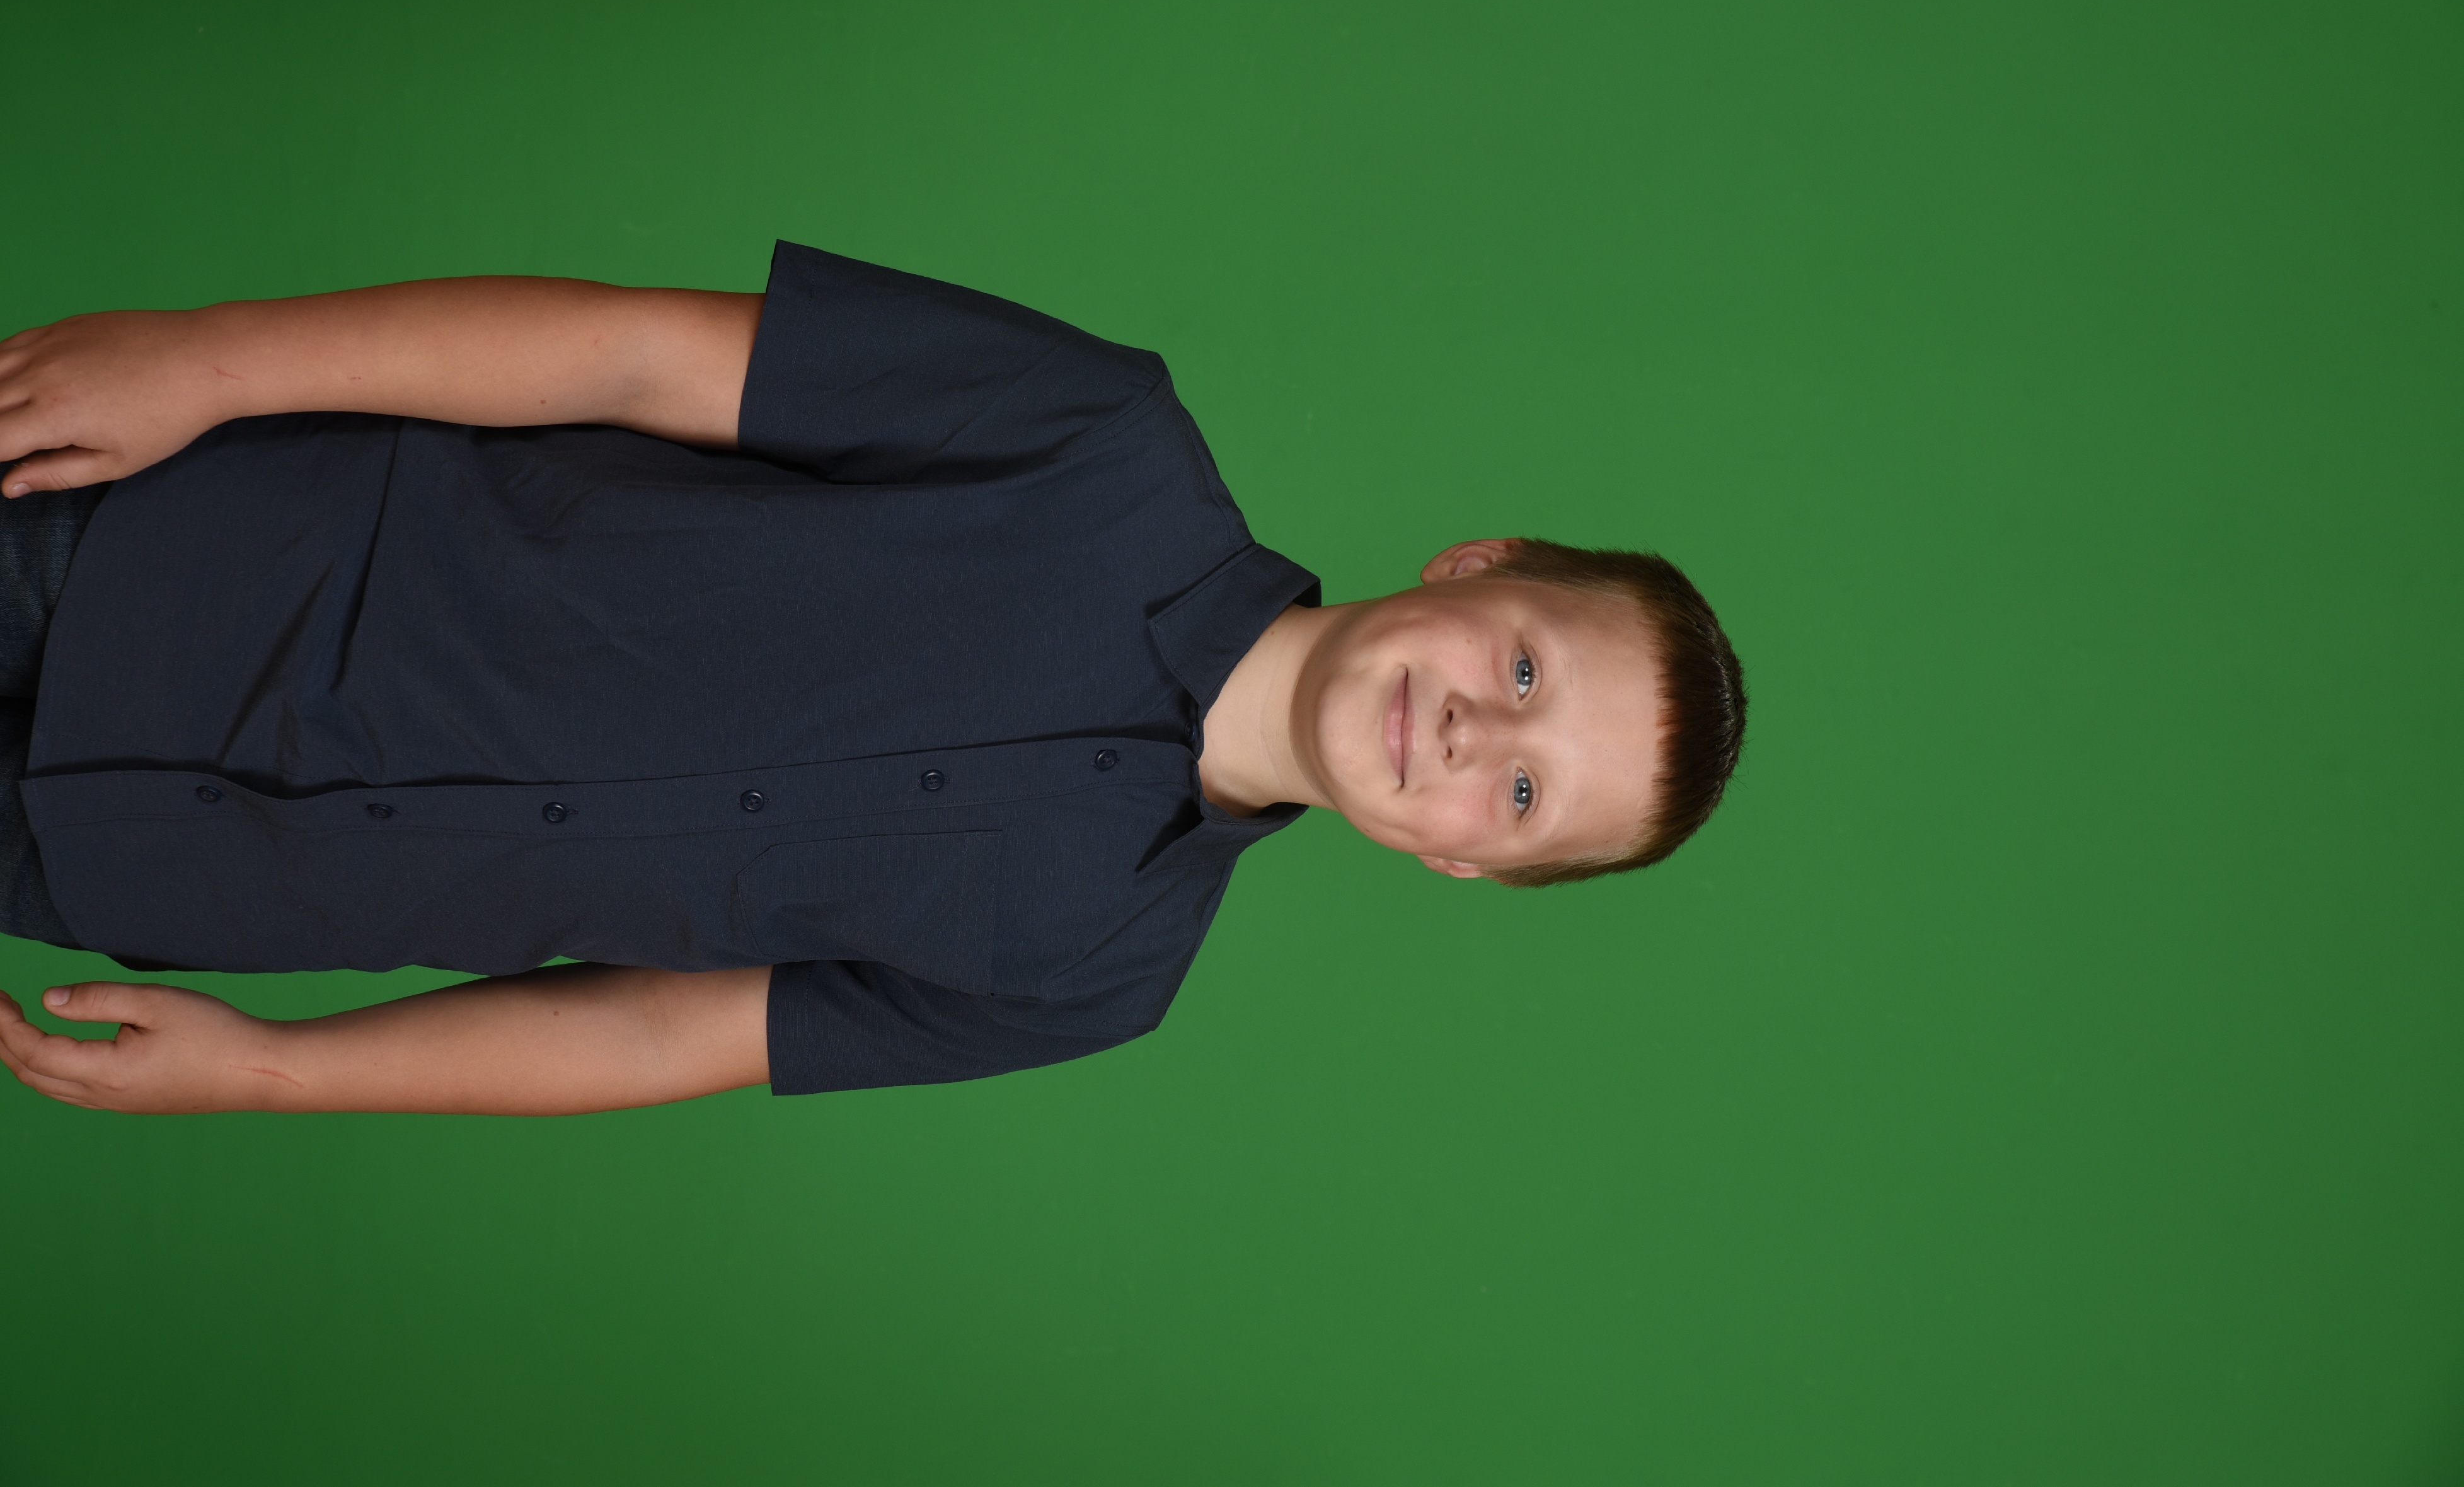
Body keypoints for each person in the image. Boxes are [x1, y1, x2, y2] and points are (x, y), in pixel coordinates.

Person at [0, 243, 1744, 1116]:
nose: (1476, 731)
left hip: (185, 868)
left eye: (1524, 791)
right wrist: (208, 364)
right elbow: (634, 355)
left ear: (1459, 861)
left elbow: (659, 1028)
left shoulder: (1099, 973)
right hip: (171, 546)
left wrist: (281, 1073)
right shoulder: (1104, 441)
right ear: (1477, 564)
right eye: (1527, 664)